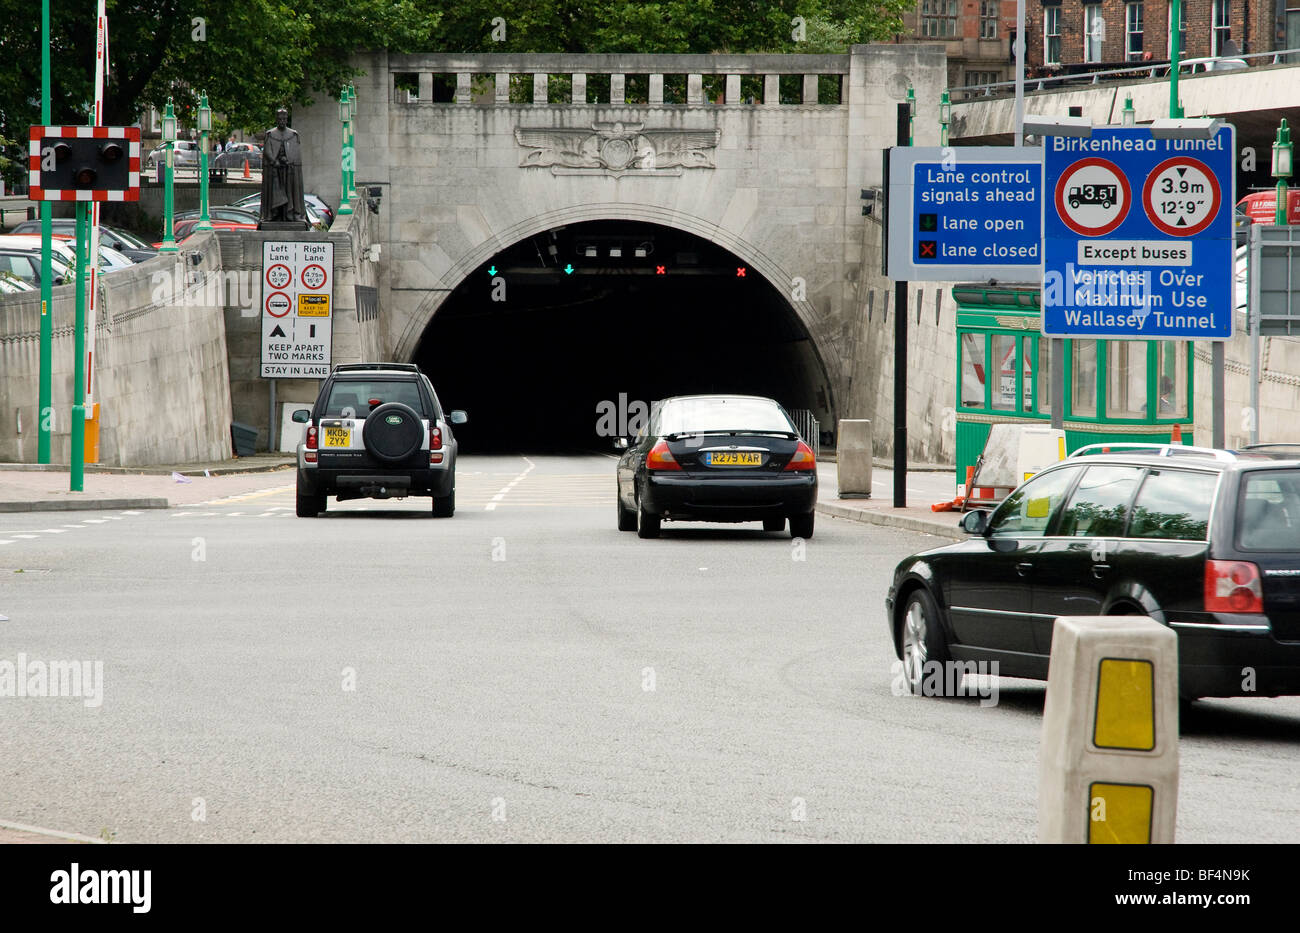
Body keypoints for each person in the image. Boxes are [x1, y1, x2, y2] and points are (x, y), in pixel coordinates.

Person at [259, 108, 306, 225]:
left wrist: (287, 160)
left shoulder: (293, 134)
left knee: (291, 191)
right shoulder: (270, 134)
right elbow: (268, 151)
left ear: (287, 119)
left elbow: (294, 153)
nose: (282, 121)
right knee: (274, 192)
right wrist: (274, 161)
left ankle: (291, 214)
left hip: (289, 171)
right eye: (280, 119)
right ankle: (273, 214)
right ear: (276, 119)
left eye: (284, 119)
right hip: (275, 171)